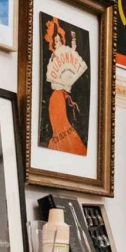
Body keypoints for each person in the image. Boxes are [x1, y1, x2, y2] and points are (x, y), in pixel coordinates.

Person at [42, 17, 87, 155]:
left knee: (65, 124)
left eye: (59, 40)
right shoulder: (54, 58)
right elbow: (53, 73)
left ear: (62, 40)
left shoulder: (67, 52)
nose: (57, 43)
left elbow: (73, 52)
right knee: (58, 125)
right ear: (52, 44)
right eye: (55, 41)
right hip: (56, 96)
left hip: (62, 95)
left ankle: (68, 146)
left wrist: (73, 39)